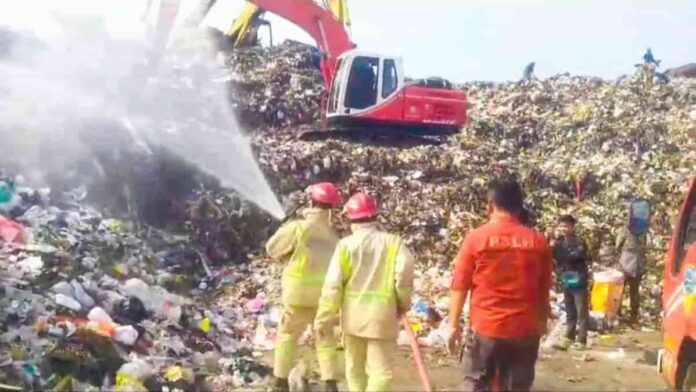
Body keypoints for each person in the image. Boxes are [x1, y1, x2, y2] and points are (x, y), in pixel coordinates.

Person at [447, 179, 553, 392]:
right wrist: (541, 322)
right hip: (524, 330)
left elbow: (460, 285)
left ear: (490, 205)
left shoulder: (476, 238)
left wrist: (453, 325)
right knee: (517, 387)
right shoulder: (538, 241)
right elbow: (543, 288)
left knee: (475, 384)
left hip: (486, 328)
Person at [314, 192, 414, 392]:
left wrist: (323, 318)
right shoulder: (394, 243)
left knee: (354, 369)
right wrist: (403, 302)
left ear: (351, 218)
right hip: (382, 318)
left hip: (352, 319)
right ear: (374, 216)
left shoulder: (345, 246)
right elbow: (403, 275)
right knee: (380, 372)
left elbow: (332, 285)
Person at [265, 183, 343, 392]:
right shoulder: (334, 237)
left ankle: (280, 382)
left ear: (310, 201)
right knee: (325, 338)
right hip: (323, 298)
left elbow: (272, 249)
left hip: (297, 295)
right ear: (331, 208)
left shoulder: (298, 227)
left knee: (288, 334)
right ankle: (330, 384)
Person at [551, 215, 591, 349]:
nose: (563, 228)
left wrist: (559, 252)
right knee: (570, 310)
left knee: (581, 311)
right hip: (566, 278)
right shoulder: (559, 242)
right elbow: (554, 257)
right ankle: (569, 336)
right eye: (561, 226)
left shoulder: (579, 241)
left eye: (566, 226)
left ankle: (581, 340)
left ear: (573, 227)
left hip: (578, 278)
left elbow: (575, 256)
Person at [616, 223, 648, 325]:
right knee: (634, 290)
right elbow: (644, 245)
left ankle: (618, 313)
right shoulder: (643, 230)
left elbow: (618, 245)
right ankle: (633, 316)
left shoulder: (625, 229)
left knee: (620, 289)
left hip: (625, 261)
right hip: (637, 262)